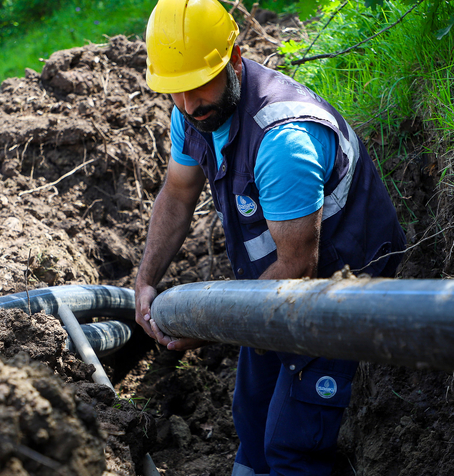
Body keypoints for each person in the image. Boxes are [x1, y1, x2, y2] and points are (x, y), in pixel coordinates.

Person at [134, 0, 407, 473]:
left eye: (199, 86)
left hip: (339, 290)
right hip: (269, 286)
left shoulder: (283, 139)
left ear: (235, 60)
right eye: (174, 91)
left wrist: (207, 326)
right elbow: (177, 196)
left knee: (290, 447)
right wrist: (145, 281)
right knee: (252, 417)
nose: (187, 105)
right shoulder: (192, 111)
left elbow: (298, 269)